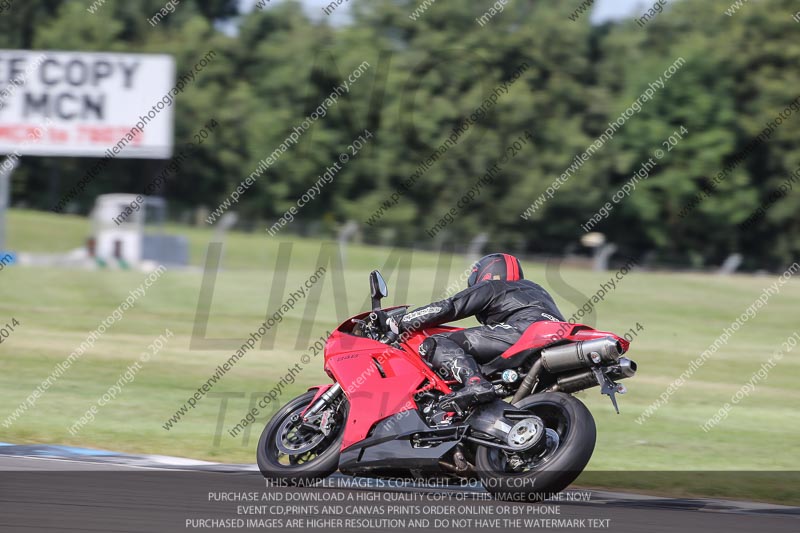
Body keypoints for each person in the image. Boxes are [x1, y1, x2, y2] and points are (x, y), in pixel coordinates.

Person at [388, 253, 565, 412]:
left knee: (434, 343)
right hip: (559, 337)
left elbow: (450, 307)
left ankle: (474, 383)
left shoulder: (493, 285)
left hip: (524, 331)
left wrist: (401, 322)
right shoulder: (537, 289)